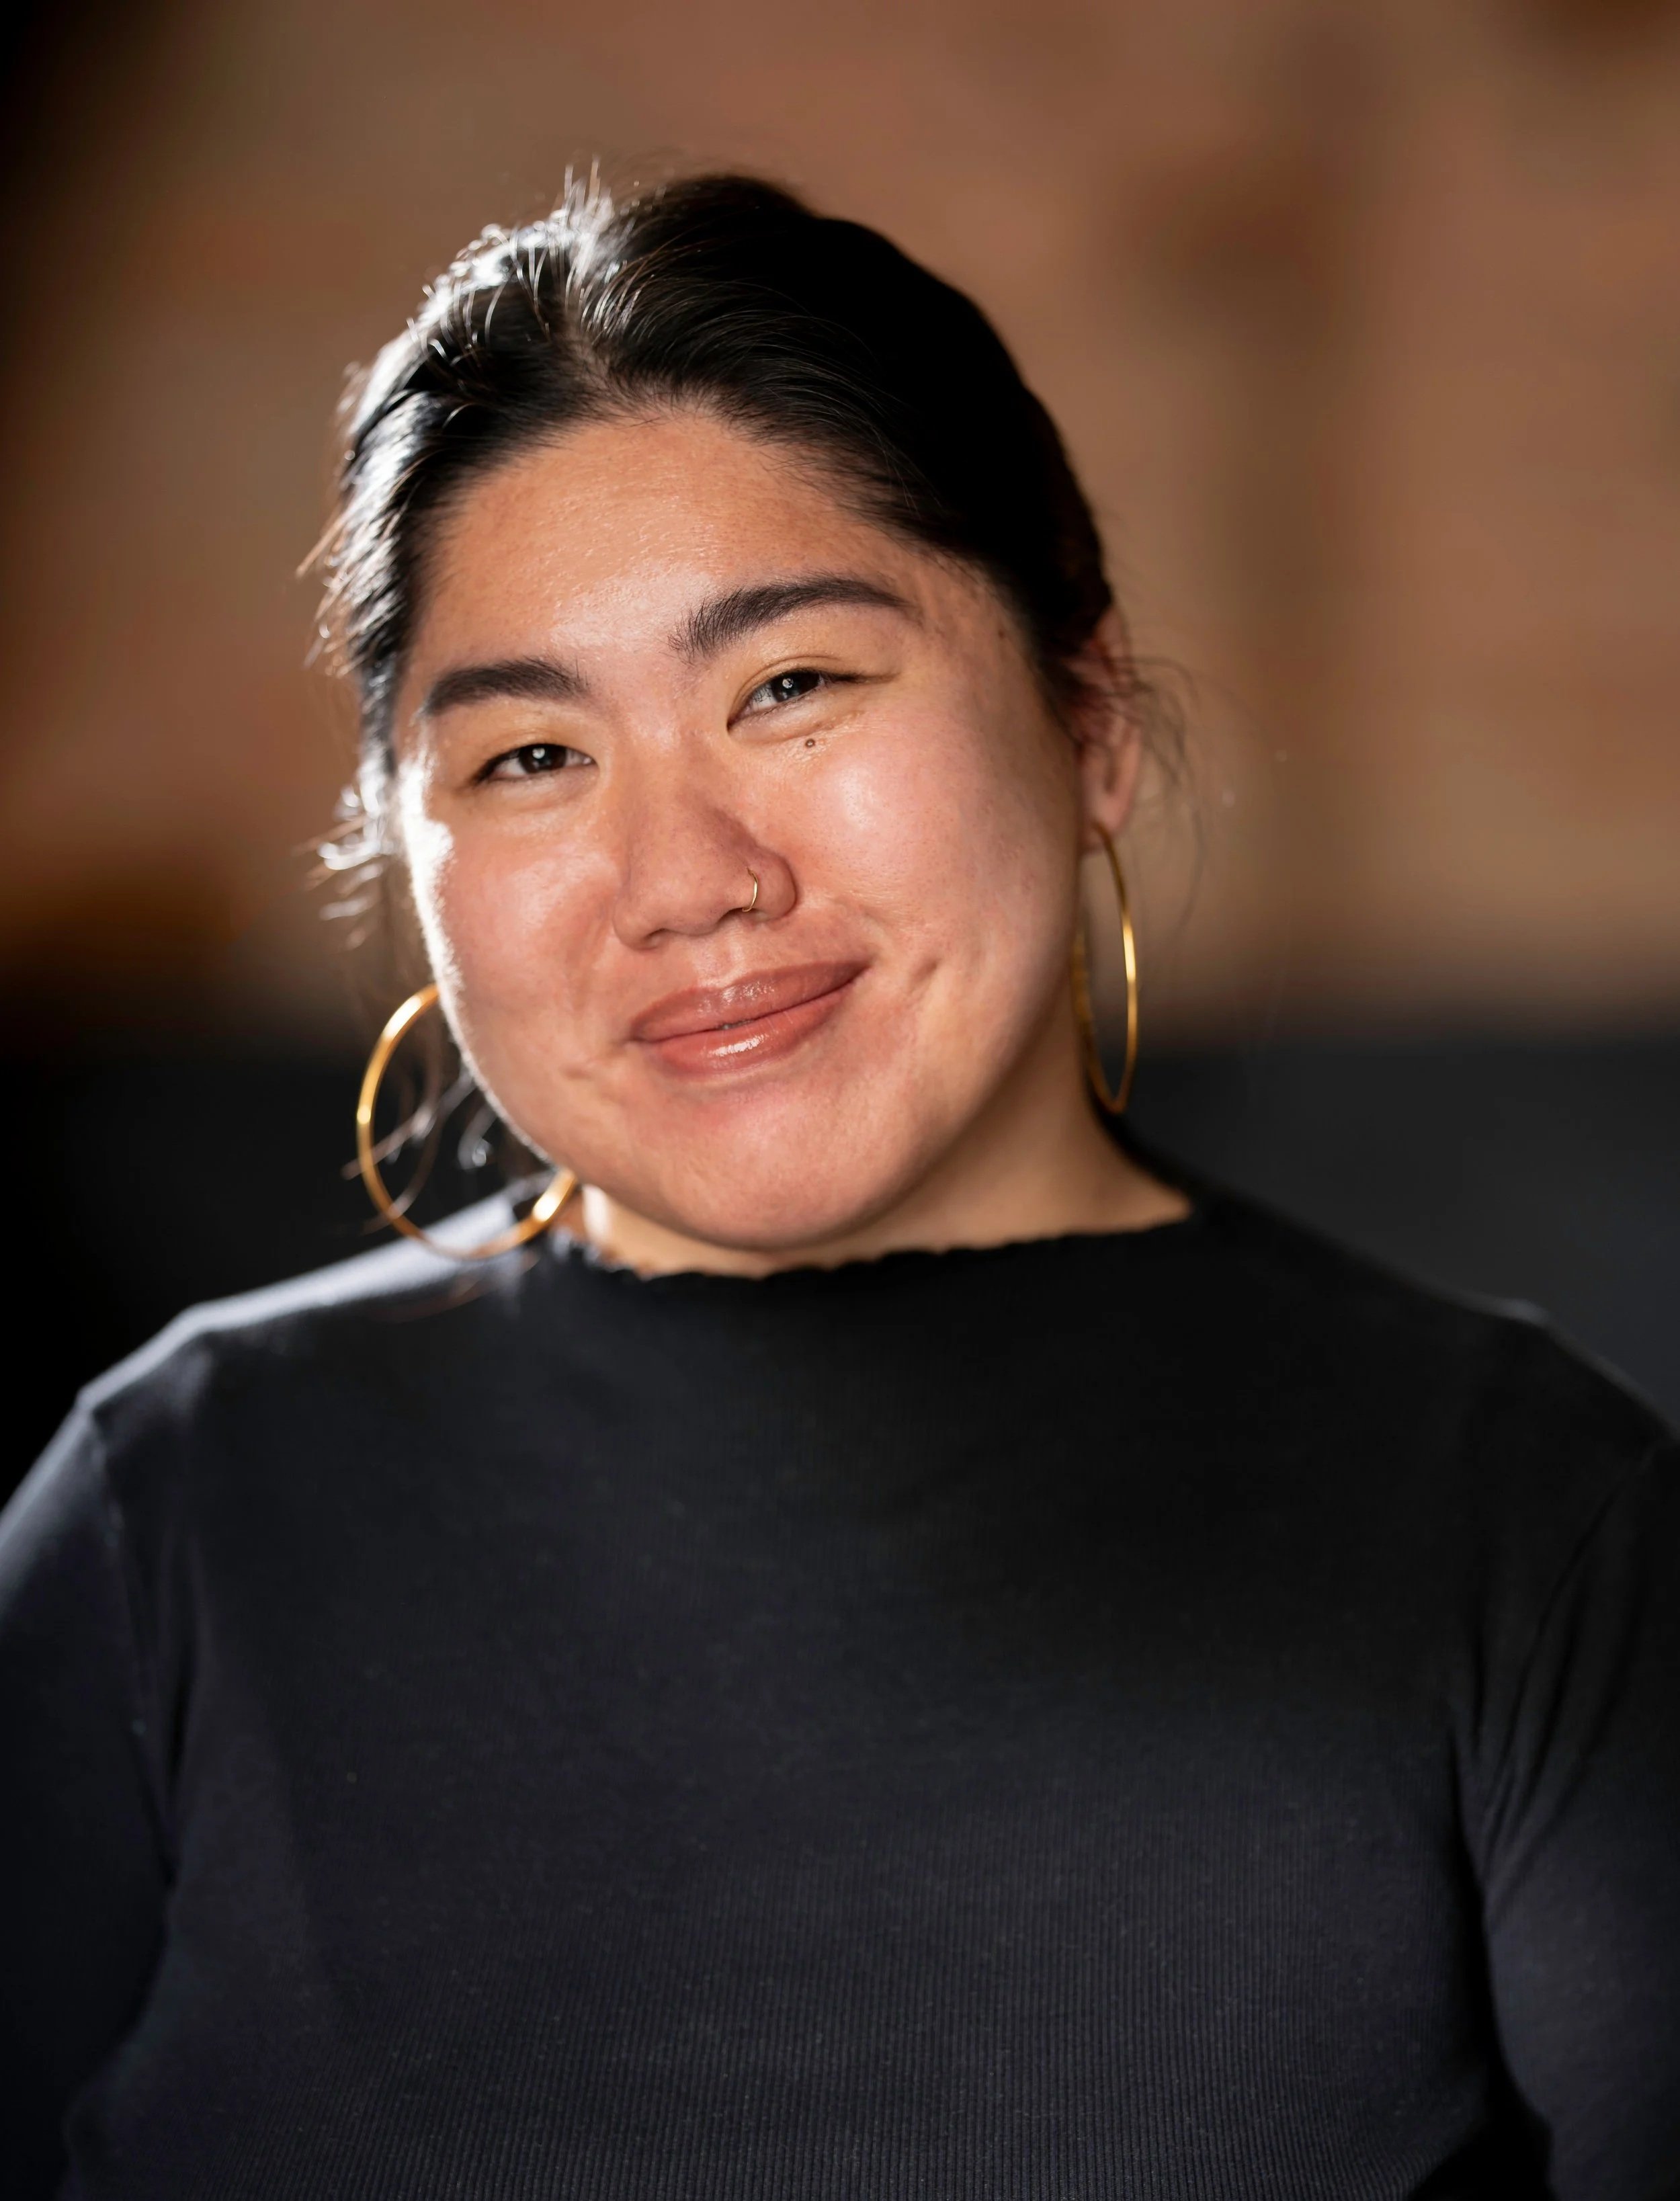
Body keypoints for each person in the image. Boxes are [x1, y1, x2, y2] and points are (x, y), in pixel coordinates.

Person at [1, 173, 1676, 2201]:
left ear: (1085, 721)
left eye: (789, 686)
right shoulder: (168, 1510)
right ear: (404, 847)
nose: (688, 878)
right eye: (528, 755)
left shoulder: (1529, 1532)